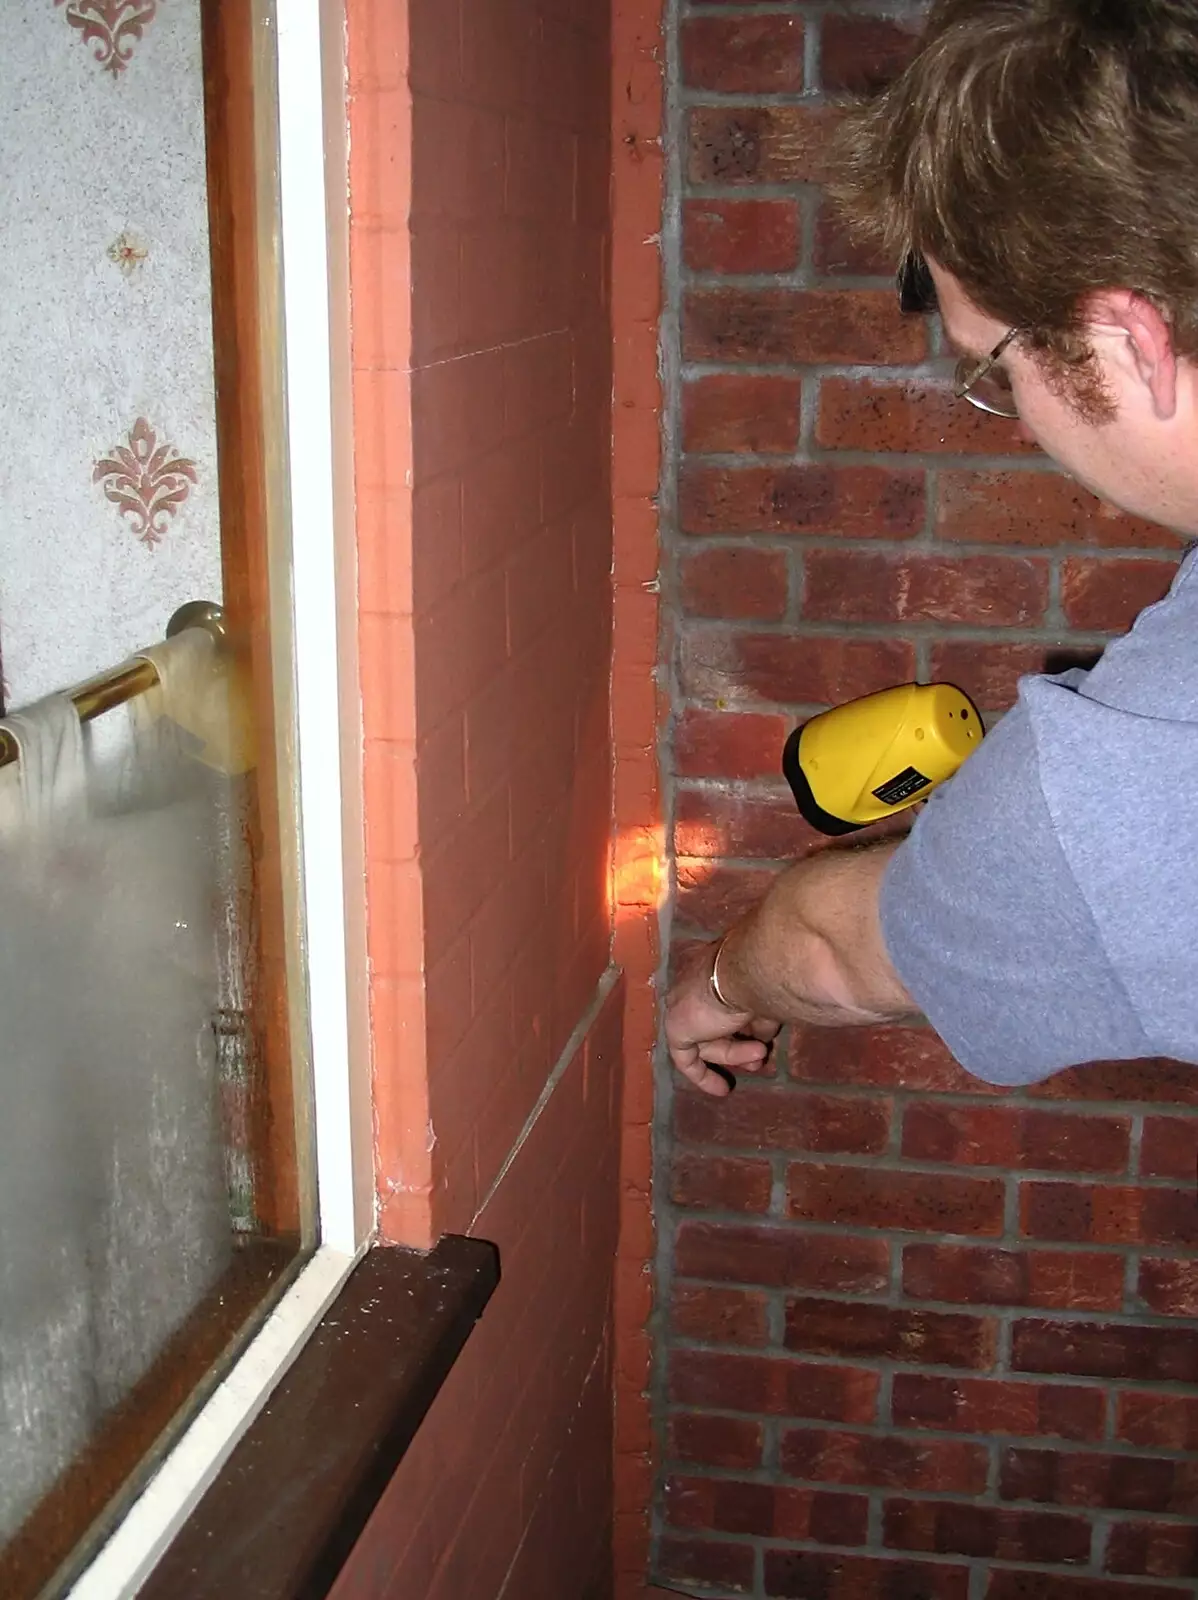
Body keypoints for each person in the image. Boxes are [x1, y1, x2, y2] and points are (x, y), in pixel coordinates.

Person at [664, 0, 1198, 1096]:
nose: (1022, 414)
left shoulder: (1136, 766)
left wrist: (715, 983)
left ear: (1129, 338)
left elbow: (830, 950)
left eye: (993, 365)